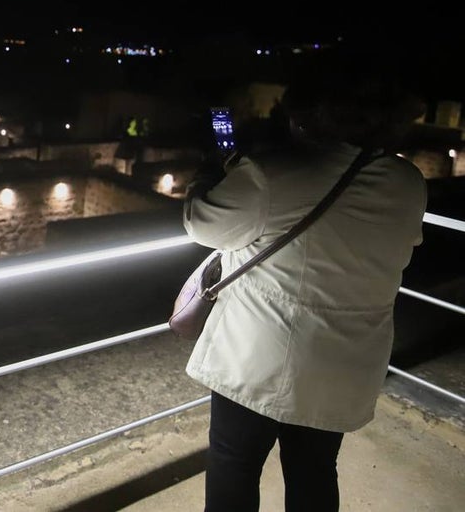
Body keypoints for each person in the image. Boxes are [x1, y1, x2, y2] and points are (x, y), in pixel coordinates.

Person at [182, 49, 427, 512]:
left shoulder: (274, 175)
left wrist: (209, 174)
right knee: (314, 472)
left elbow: (201, 223)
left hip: (257, 362)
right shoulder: (408, 181)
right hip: (346, 363)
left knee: (234, 464)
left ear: (313, 115)